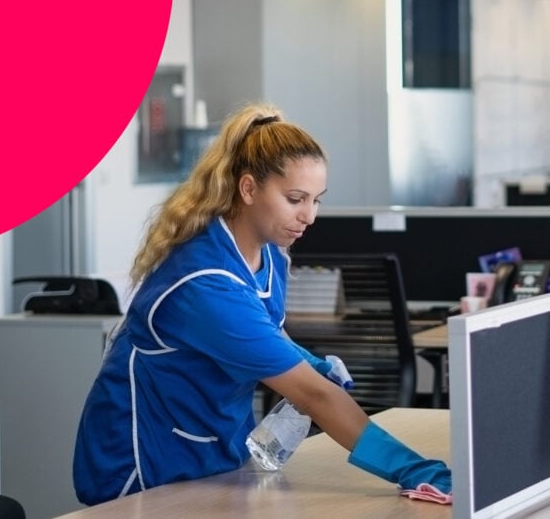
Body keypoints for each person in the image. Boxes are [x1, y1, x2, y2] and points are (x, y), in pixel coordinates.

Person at [73, 102, 451, 505]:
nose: (309, 216)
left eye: (316, 200)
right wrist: (413, 468)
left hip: (214, 453)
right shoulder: (206, 285)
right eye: (295, 199)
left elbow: (265, 332)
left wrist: (306, 361)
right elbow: (313, 396)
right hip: (145, 465)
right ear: (249, 188)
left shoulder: (268, 253)